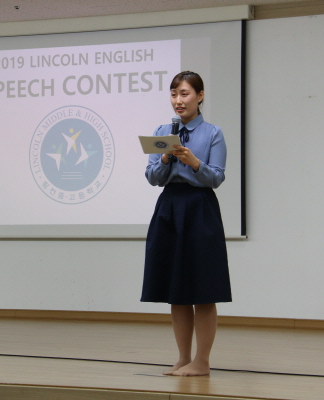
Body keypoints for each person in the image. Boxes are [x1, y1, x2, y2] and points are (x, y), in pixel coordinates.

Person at [141, 71, 232, 376]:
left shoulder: (213, 133)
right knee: (176, 289)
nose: (178, 101)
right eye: (173, 94)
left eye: (184, 94)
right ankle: (183, 358)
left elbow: (216, 177)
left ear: (200, 96)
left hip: (200, 209)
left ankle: (202, 361)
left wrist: (194, 162)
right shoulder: (162, 132)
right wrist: (166, 159)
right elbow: (152, 177)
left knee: (203, 289)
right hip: (169, 208)